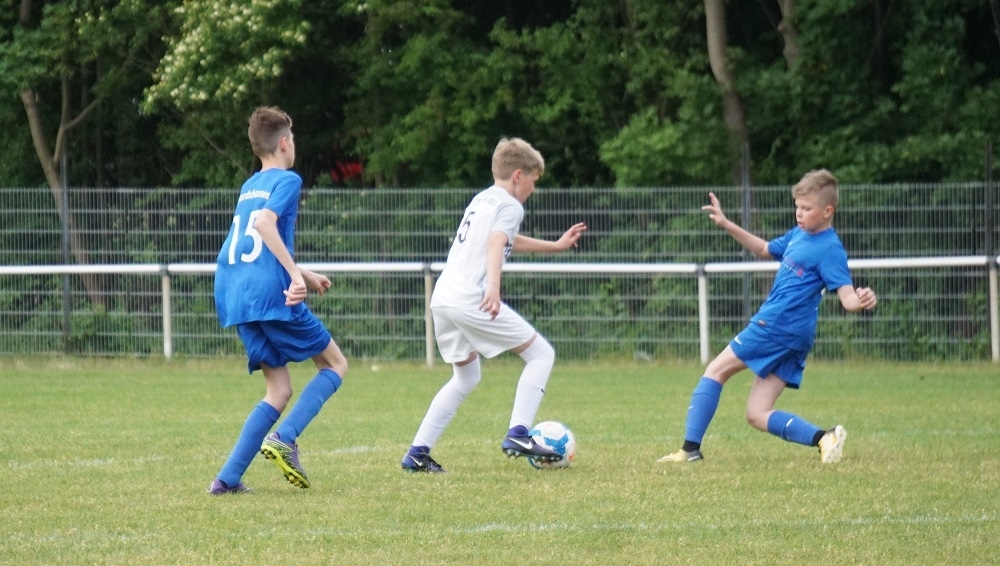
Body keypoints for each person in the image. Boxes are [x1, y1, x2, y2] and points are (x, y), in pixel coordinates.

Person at [658, 169, 877, 465]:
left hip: (775, 325)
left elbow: (848, 298)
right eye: (797, 206)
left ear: (828, 211)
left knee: (715, 371)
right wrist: (726, 224)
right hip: (796, 336)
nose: (799, 213)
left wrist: (862, 300)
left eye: (806, 208)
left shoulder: (829, 249)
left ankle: (689, 450)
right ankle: (825, 438)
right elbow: (763, 249)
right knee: (757, 413)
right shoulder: (798, 235)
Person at [400, 138, 587, 473]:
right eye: (533, 180)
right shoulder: (511, 206)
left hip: (443, 298)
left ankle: (417, 453)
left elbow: (503, 239)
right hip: (470, 297)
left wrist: (555, 246)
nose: (533, 188)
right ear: (518, 175)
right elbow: (497, 242)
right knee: (541, 354)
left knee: (465, 377)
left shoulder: (483, 199)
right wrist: (493, 287)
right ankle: (519, 433)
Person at [207, 106, 349, 494]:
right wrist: (293, 276)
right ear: (284, 143)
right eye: (294, 139)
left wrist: (303, 272)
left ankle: (226, 479)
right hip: (269, 294)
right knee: (335, 364)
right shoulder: (287, 180)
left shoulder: (250, 185)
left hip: (235, 292)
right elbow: (264, 225)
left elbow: (255, 244)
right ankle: (285, 438)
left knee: (279, 390)